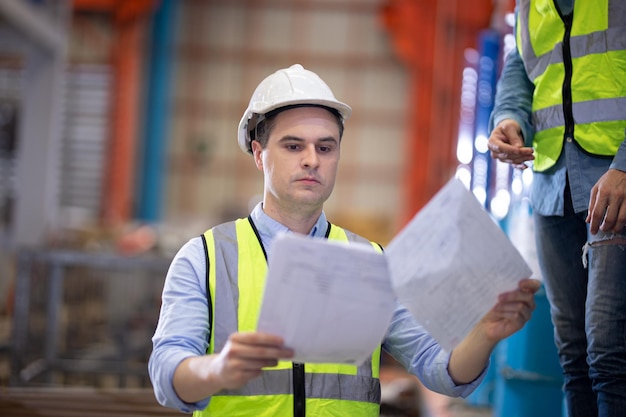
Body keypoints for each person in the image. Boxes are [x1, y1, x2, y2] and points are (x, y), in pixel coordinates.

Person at [149, 63, 540, 417]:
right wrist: (217, 368)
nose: (311, 160)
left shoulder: (369, 262)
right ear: (258, 153)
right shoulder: (206, 257)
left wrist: (484, 334)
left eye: (325, 147)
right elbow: (167, 373)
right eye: (292, 145)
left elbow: (436, 366)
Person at [487, 1, 626, 416]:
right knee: (575, 355)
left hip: (615, 182)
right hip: (553, 185)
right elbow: (521, 65)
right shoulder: (530, 5)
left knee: (609, 351)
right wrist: (509, 116)